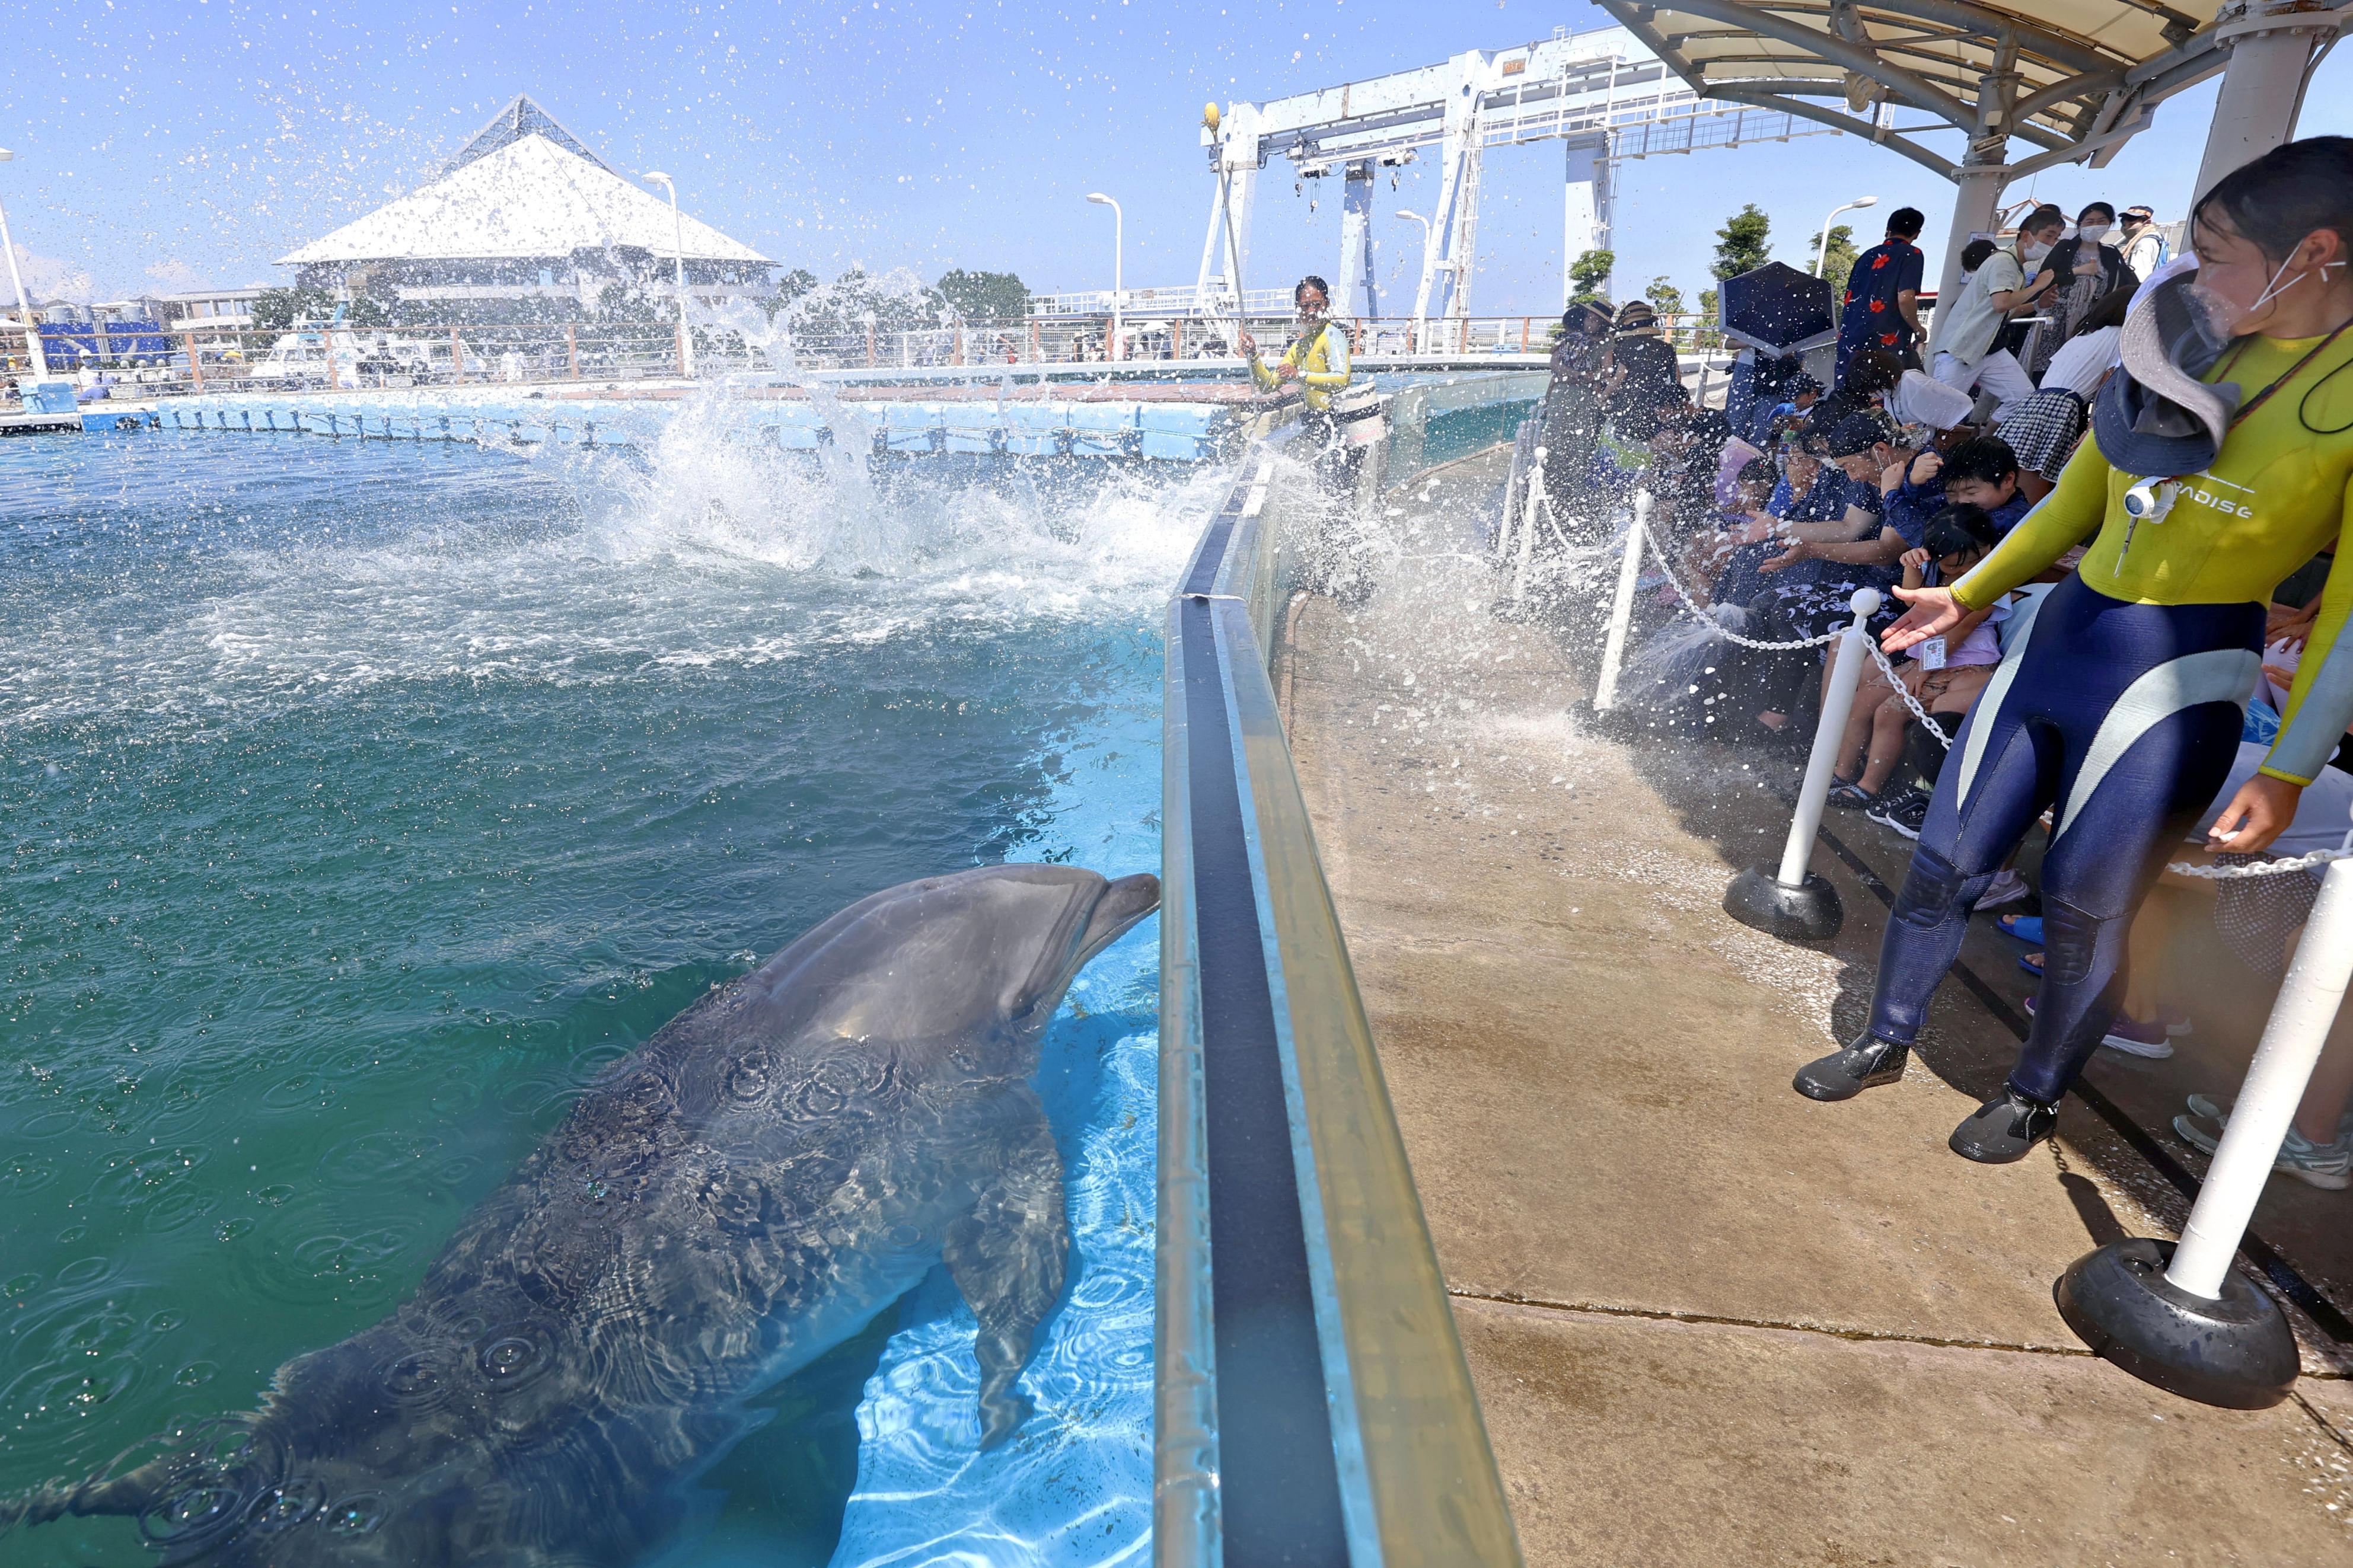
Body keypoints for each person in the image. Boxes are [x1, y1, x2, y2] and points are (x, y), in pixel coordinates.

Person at [1795, 136, 2353, 1163]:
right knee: (1944, 861)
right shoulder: (2182, 342)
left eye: (2218, 257)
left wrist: (2285, 771)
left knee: (2087, 904)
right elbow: (2076, 503)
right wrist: (1965, 594)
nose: (2195, 277)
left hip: (2181, 676)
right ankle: (1884, 1037)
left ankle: (2034, 1093)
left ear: (2313, 253)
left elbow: (2349, 617)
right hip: (2064, 641)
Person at [1826, 503, 2007, 813]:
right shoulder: (1935, 570)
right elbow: (1913, 603)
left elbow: (1960, 630)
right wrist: (1912, 566)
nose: (1964, 572)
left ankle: (1869, 787)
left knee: (1889, 712)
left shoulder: (1992, 581)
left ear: (1989, 547)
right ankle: (1841, 772)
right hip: (1926, 660)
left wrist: (1923, 669)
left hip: (1964, 664)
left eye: (1972, 562)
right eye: (1953, 566)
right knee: (1863, 701)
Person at [1993, 286, 2133, 498]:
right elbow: (2107, 389)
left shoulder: (2082, 337)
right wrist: (2091, 430)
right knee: (2035, 482)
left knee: (2011, 475)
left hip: (2033, 404)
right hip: (2060, 408)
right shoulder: (2120, 337)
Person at [1928, 205, 2066, 421]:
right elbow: (2001, 304)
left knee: (2023, 398)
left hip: (1989, 349)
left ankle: (1988, 438)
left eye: (2056, 238)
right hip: (1962, 350)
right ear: (2026, 236)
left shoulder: (2015, 266)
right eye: (2048, 236)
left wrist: (2038, 304)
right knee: (1937, 414)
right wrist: (2038, 286)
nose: (2051, 243)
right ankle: (1918, 443)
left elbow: (2004, 311)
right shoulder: (2003, 261)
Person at [2024, 202, 2135, 381]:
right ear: (2080, 224)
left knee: (2077, 369)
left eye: (2101, 221)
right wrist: (2076, 272)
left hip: (2088, 320)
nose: (2095, 226)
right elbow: (2045, 278)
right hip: (2056, 317)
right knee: (2044, 367)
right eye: (2089, 221)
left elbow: (2124, 285)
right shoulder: (2065, 247)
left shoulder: (2111, 253)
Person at [1241, 274, 1352, 421]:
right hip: (1315, 420)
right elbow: (1268, 386)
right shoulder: (1298, 348)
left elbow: (1342, 380)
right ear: (1297, 308)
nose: (1311, 311)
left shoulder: (1333, 336)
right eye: (1305, 306)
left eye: (1317, 304)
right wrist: (1253, 355)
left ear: (1327, 304)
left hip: (1339, 420)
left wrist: (1298, 375)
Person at [1838, 206, 1928, 377]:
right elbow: (1905, 298)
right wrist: (1918, 328)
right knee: (1889, 388)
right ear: (1917, 233)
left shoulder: (1866, 256)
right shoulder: (1911, 254)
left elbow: (1850, 297)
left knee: (1851, 386)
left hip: (1851, 335)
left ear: (1888, 229)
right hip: (1885, 338)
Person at [1609, 299, 1684, 427]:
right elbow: (1677, 379)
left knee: (1624, 436)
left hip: (1629, 403)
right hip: (1658, 403)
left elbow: (1619, 378)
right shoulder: (1667, 348)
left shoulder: (1627, 346)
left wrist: (1602, 398)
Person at [2119, 204, 2167, 283]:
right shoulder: (2158, 239)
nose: (2126, 228)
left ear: (2147, 222)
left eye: (2131, 224)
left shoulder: (2144, 244)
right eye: (2124, 225)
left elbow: (2139, 278)